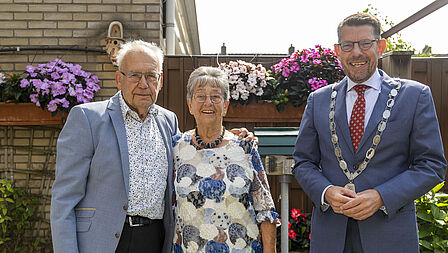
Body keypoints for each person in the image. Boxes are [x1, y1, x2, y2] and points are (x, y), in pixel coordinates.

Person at [50, 40, 253, 253]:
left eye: (151, 76)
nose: (143, 84)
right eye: (135, 75)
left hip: (154, 240)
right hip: (102, 241)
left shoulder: (168, 121)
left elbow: (194, 153)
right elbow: (64, 199)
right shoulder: (88, 119)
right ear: (119, 79)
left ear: (160, 81)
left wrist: (232, 139)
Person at [292, 13, 446, 253]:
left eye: (365, 43)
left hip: (391, 235)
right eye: (348, 45)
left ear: (381, 46)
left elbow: (432, 166)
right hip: (331, 238)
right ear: (337, 50)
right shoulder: (318, 100)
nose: (356, 53)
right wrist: (327, 192)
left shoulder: (415, 97)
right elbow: (303, 163)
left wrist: (381, 196)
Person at [172, 66, 279, 253]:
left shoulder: (244, 147)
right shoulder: (176, 147)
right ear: (190, 105)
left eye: (215, 96)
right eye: (200, 96)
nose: (208, 103)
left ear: (225, 106)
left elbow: (265, 210)